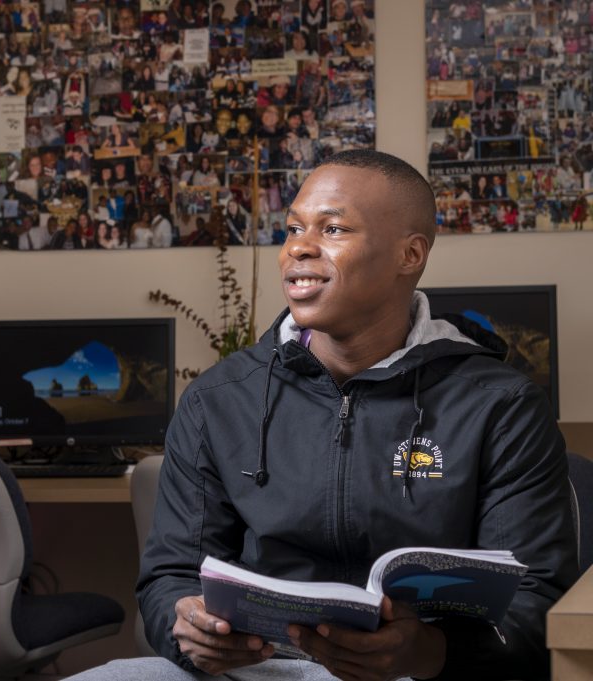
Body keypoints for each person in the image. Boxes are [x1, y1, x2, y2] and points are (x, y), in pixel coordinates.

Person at [64, 150, 577, 681]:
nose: (298, 248)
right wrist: (187, 627)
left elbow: (537, 600)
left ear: (410, 254)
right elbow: (171, 574)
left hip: (419, 673)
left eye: (333, 229)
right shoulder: (218, 398)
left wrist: (429, 650)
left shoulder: (502, 404)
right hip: (261, 668)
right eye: (292, 228)